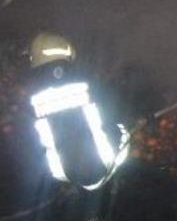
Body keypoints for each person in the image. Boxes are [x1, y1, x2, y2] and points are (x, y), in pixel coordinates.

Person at [27, 32, 130, 190]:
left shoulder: (31, 99)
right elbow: (115, 110)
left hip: (64, 174)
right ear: (67, 51)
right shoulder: (86, 83)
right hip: (107, 162)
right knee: (124, 129)